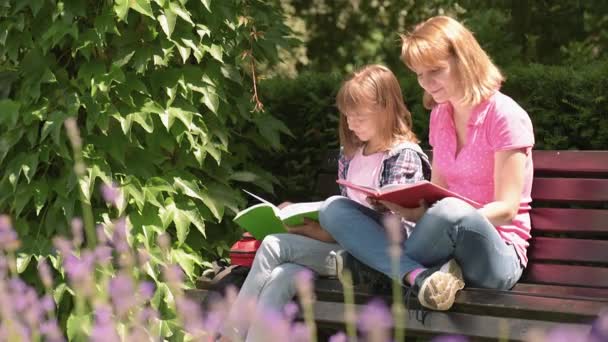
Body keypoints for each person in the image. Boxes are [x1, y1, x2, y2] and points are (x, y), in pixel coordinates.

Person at [320, 16, 535, 312]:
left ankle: (372, 268)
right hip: (442, 247)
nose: (426, 83)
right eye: (420, 74)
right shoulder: (441, 115)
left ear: (464, 60)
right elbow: (438, 194)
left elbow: (508, 209)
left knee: (450, 211)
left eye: (435, 71)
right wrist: (416, 211)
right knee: (334, 208)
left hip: (498, 254)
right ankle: (418, 277)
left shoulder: (505, 115)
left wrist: (452, 218)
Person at [220, 64, 430, 341]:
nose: (351, 123)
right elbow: (341, 222)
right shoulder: (351, 154)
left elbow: (400, 231)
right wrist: (308, 226)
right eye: (347, 116)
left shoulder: (401, 156)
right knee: (282, 276)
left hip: (374, 260)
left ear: (385, 109)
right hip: (339, 251)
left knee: (273, 246)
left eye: (359, 116)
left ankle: (228, 337)